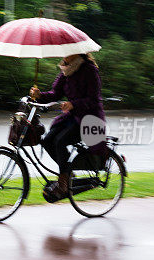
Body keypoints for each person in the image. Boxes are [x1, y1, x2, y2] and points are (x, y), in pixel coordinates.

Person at [30, 53, 106, 200]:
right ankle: (68, 173)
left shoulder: (89, 70)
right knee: (47, 140)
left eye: (68, 52)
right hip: (73, 116)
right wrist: (39, 95)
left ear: (77, 53)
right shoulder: (66, 69)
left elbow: (94, 99)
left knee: (60, 141)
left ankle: (63, 183)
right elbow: (55, 93)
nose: (65, 55)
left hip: (89, 118)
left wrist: (73, 104)